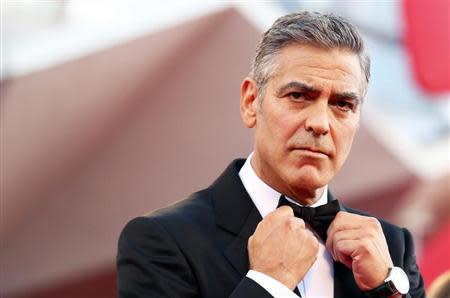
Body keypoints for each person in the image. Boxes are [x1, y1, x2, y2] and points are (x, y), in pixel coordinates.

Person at [117, 11, 425, 297]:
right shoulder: (162, 240)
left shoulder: (393, 246)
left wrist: (389, 290)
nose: (319, 123)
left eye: (342, 104)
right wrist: (268, 284)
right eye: (298, 96)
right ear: (252, 102)